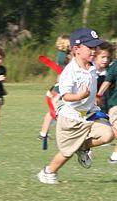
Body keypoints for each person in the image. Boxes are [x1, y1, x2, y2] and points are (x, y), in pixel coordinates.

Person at [37, 28, 114, 184]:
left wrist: (94, 98)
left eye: (95, 47)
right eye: (90, 47)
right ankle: (47, 172)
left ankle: (82, 147)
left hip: (90, 115)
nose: (94, 50)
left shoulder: (91, 66)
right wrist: (79, 96)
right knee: (66, 153)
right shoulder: (70, 71)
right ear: (76, 49)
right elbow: (66, 96)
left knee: (108, 134)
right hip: (71, 120)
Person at [97, 41, 117, 162]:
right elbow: (107, 81)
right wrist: (98, 95)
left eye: (107, 57)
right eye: (102, 57)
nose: (105, 60)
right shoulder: (115, 66)